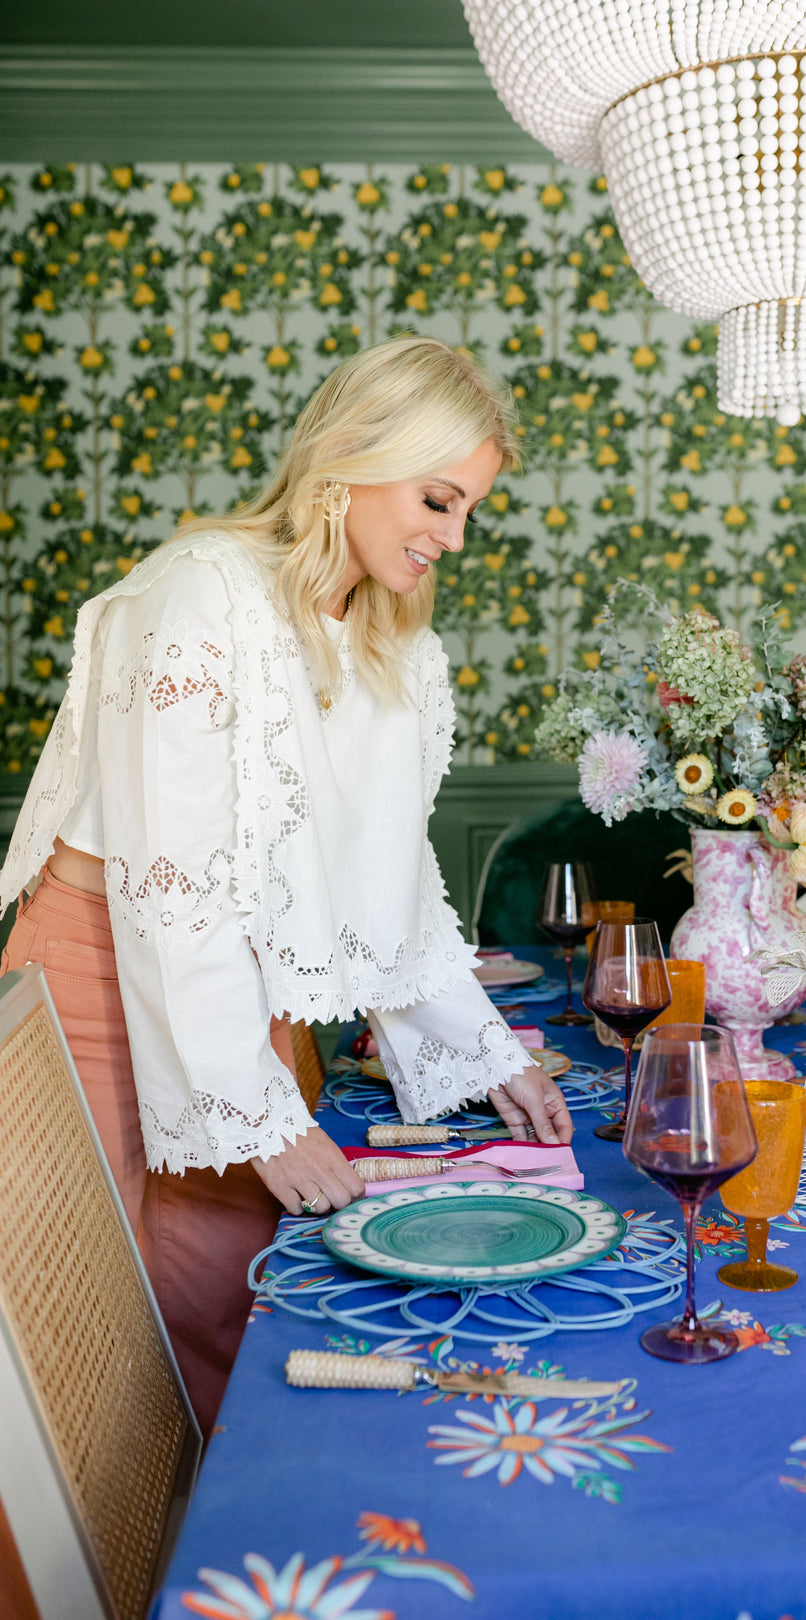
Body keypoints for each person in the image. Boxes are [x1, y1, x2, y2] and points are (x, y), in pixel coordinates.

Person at [0, 336, 572, 1433]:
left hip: (239, 988)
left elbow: (385, 886)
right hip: (91, 977)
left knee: (226, 1299)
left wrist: (485, 1051)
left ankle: (225, 1577)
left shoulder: (391, 646)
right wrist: (254, 1110)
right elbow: (173, 892)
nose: (453, 539)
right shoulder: (198, 593)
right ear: (354, 457)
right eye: (438, 500)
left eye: (468, 513)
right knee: (75, 1346)